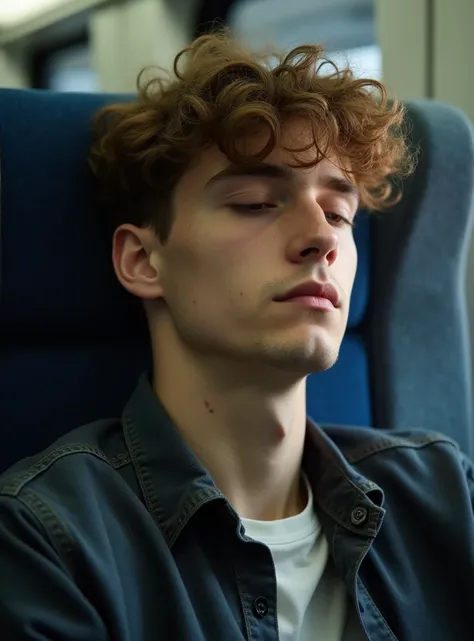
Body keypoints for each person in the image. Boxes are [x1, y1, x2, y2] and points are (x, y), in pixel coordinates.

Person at [0, 31, 473, 641]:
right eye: (255, 202)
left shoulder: (441, 491)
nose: (321, 238)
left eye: (338, 213)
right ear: (144, 261)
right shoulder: (48, 540)